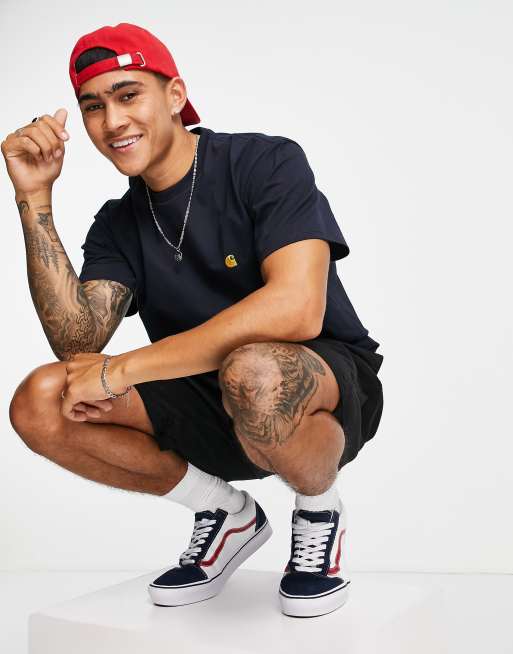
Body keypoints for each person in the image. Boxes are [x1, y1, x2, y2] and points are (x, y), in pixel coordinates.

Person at [2, 22, 384, 618]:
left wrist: (124, 369)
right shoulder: (118, 222)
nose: (113, 121)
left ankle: (318, 508)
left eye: (128, 95)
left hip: (319, 388)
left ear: (175, 95)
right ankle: (226, 515)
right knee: (43, 400)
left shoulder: (264, 162)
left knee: (254, 371)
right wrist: (34, 197)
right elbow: (77, 345)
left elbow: (296, 308)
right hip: (201, 397)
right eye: (94, 106)